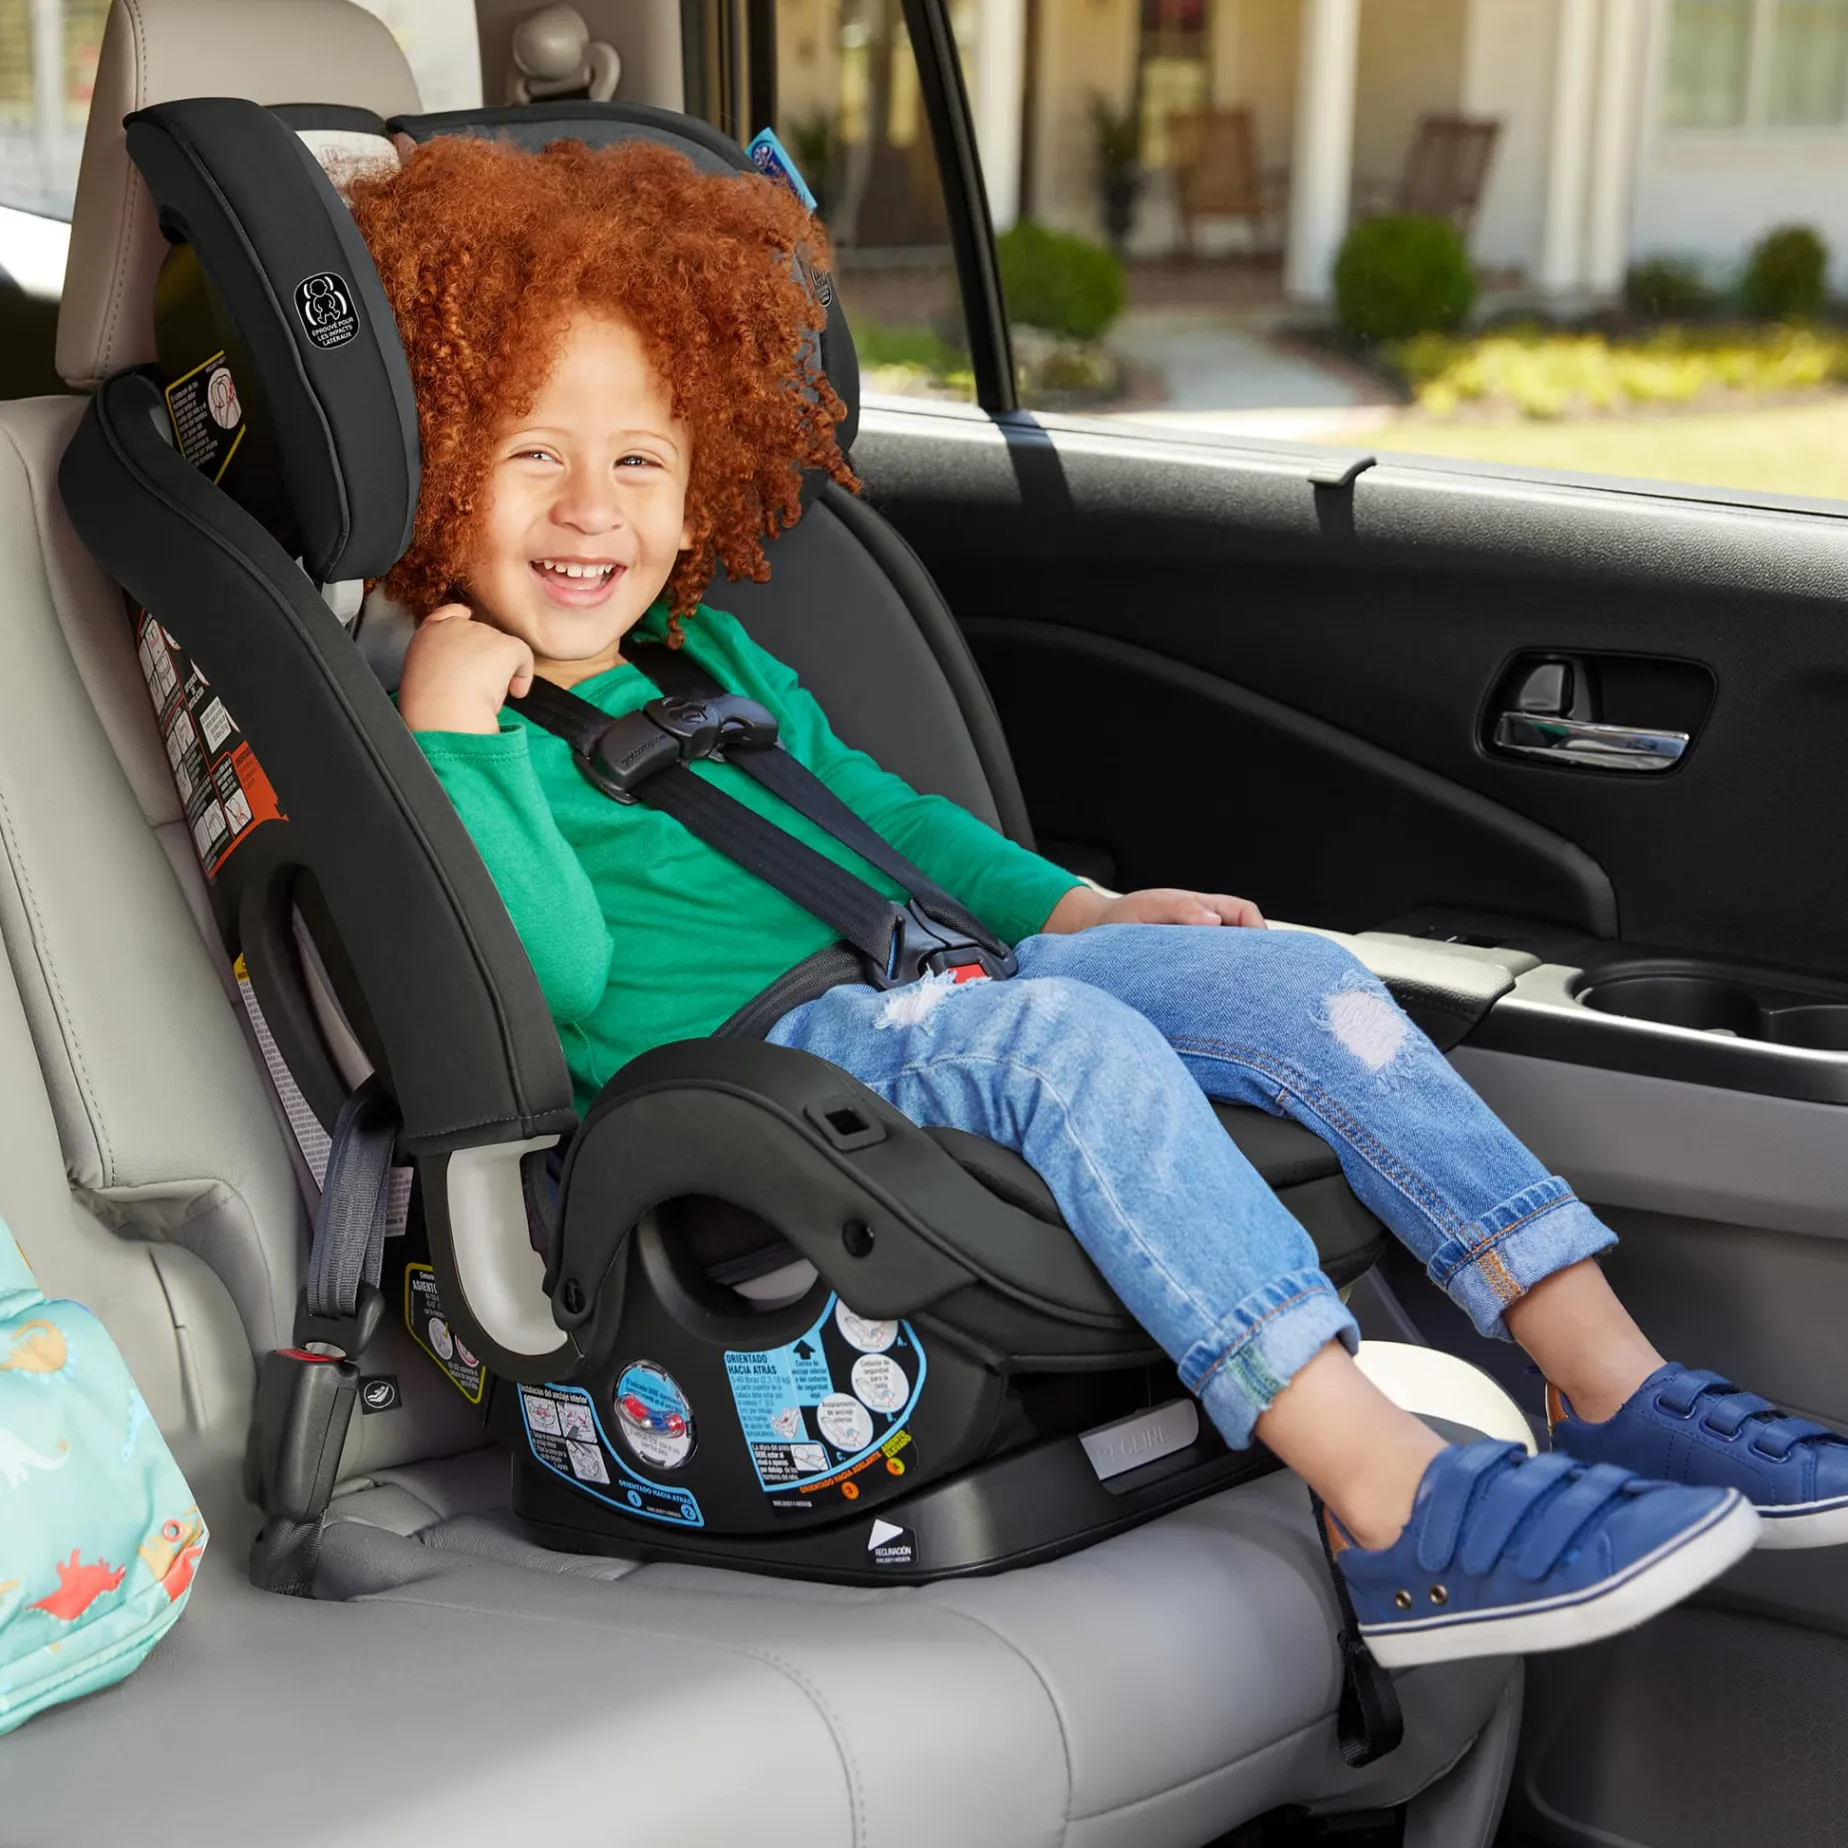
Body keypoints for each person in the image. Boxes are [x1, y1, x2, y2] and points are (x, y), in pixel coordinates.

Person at [349, 135, 1848, 1670]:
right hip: (755, 1086)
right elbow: (550, 979)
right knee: (1065, 1050)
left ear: (699, 482)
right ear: (442, 462)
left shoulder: (707, 659)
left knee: (1299, 982)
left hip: (929, 991)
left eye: (639, 463)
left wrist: (1082, 912)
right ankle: (1391, 1501)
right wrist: (454, 734)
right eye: (533, 456)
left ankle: (1608, 1380)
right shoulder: (437, 726)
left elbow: (887, 821)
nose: (589, 510)